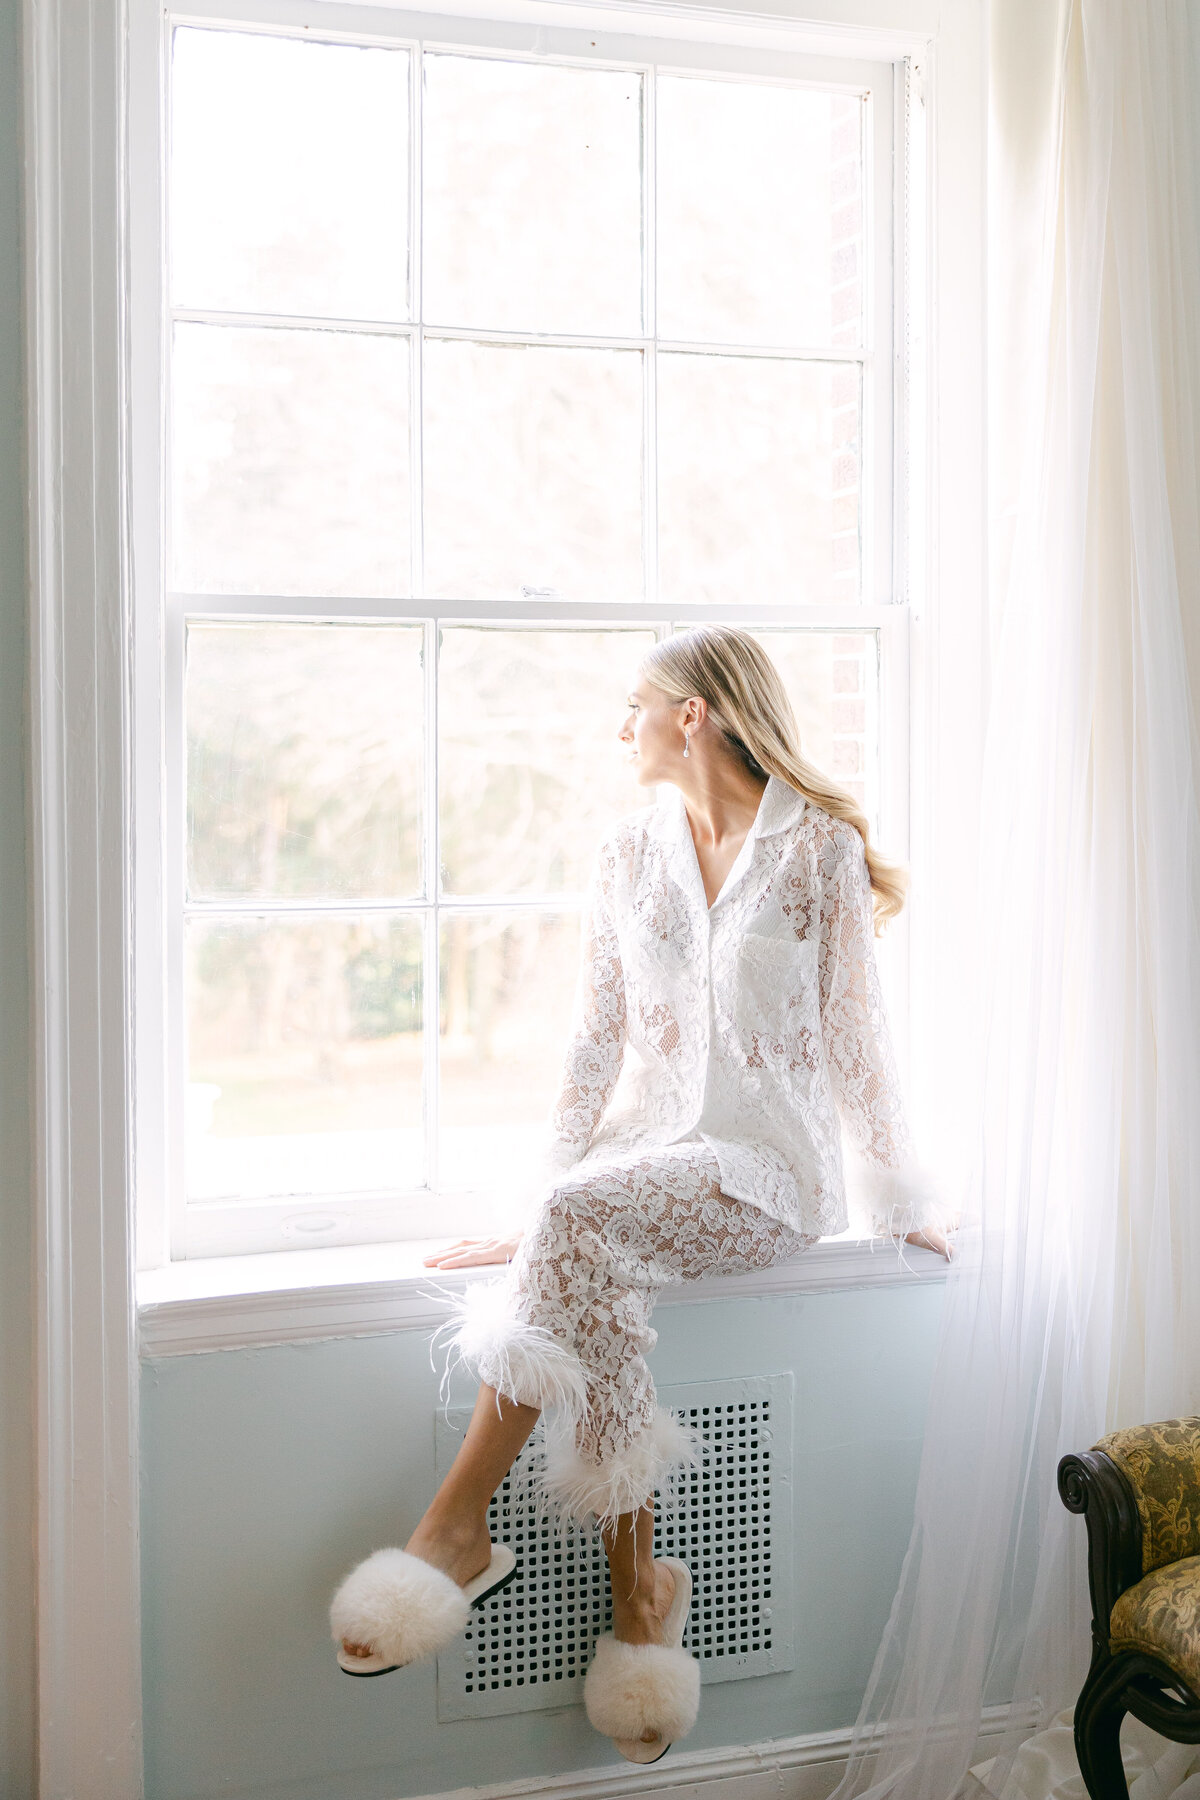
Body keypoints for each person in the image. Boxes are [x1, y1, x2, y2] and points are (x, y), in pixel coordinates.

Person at [329, 625, 951, 1760]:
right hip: (647, 1151)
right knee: (578, 1241)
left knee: (575, 1224)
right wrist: (532, 1200)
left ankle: (454, 1525)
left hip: (771, 1169)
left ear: (694, 714)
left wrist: (897, 1193)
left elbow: (860, 1037)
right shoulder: (626, 853)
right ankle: (639, 1597)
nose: (621, 727)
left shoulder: (815, 853)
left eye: (635, 705)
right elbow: (594, 1040)